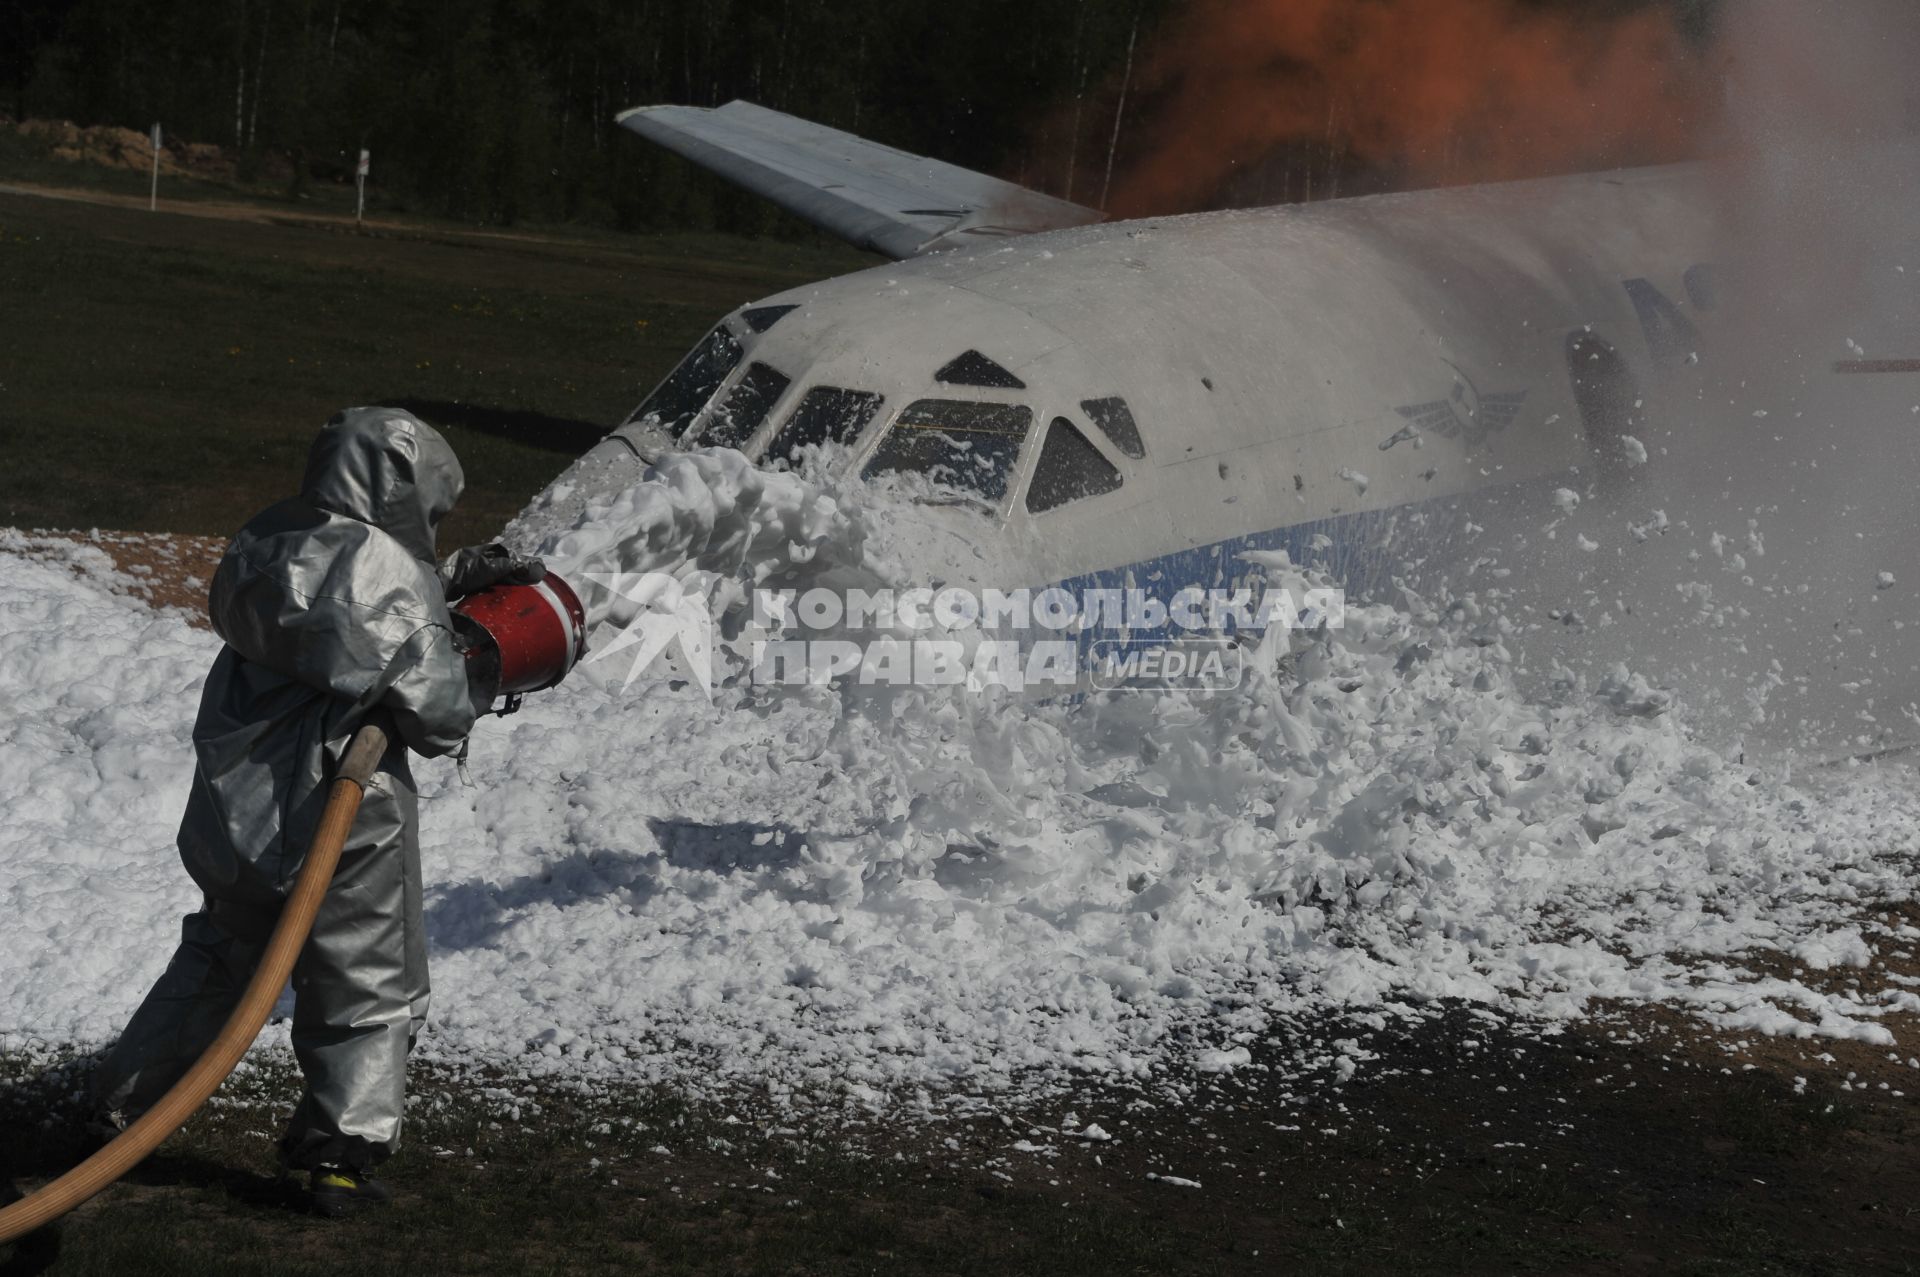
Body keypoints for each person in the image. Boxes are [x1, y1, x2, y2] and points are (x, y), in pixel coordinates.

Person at [90, 407, 542, 1217]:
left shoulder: (267, 539)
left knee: (217, 961)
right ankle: (339, 1154)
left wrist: (444, 582)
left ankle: (119, 1113)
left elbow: (338, 627)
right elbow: (435, 711)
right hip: (342, 816)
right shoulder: (384, 573)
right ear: (402, 487)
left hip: (240, 809)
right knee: (366, 983)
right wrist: (473, 659)